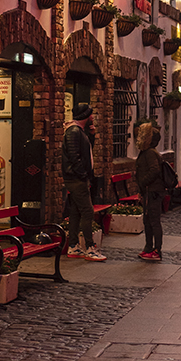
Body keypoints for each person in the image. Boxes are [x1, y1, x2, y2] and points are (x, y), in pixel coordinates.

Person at [62, 103, 106, 261]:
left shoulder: (79, 131)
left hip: (76, 178)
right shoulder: (74, 131)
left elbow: (86, 151)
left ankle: (73, 245)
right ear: (86, 116)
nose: (93, 117)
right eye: (91, 114)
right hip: (76, 179)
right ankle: (90, 247)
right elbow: (74, 156)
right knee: (87, 212)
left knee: (75, 212)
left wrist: (91, 135)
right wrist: (83, 175)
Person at [134, 121, 166, 261]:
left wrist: (143, 182)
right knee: (147, 221)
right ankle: (148, 247)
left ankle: (157, 250)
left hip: (153, 192)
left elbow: (154, 170)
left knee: (153, 221)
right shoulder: (146, 152)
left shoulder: (150, 153)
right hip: (149, 191)